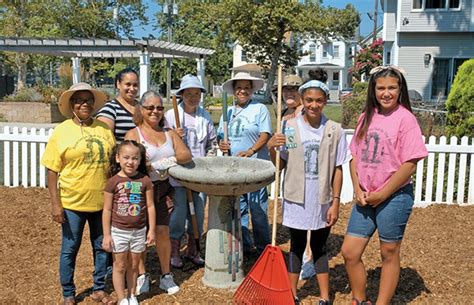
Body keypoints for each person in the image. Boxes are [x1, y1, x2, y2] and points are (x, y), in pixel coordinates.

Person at [341, 66, 428, 305]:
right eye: (381, 88)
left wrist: (383, 194)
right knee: (350, 252)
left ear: (400, 90)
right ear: (374, 90)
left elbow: (410, 164)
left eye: (392, 87)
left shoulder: (406, 119)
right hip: (366, 197)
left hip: (394, 197)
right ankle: (360, 300)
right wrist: (358, 189)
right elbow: (354, 157)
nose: (386, 93)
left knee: (388, 252)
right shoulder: (366, 116)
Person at [267, 79, 350, 305]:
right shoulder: (290, 128)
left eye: (319, 100)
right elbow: (280, 164)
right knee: (297, 246)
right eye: (309, 100)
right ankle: (292, 294)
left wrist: (335, 201)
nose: (314, 105)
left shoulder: (334, 130)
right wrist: (271, 147)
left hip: (321, 198)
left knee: (319, 247)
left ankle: (324, 297)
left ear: (325, 101)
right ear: (302, 100)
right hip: (296, 197)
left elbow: (338, 168)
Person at [41, 83, 116, 305]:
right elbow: (52, 170)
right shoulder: (62, 131)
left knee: (102, 246)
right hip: (72, 202)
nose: (85, 104)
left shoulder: (103, 128)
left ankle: (99, 289)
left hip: (102, 201)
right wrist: (56, 204)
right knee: (69, 249)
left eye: (89, 100)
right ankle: (68, 292)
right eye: (79, 100)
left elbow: (113, 163)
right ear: (72, 104)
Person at [125, 90, 192, 295]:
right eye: (150, 107)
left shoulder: (169, 133)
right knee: (142, 234)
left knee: (163, 231)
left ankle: (165, 275)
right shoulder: (134, 134)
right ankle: (143, 276)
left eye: (159, 107)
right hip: (140, 189)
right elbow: (129, 162)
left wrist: (168, 161)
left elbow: (185, 154)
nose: (155, 111)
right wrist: (148, 166)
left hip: (163, 189)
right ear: (141, 109)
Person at [165, 74, 216, 268]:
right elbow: (163, 143)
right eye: (189, 93)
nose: (193, 97)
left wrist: (208, 162)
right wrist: (173, 137)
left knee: (197, 212)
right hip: (179, 174)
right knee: (179, 214)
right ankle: (174, 251)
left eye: (197, 93)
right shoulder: (172, 116)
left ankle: (194, 250)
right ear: (181, 95)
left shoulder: (205, 116)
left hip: (199, 173)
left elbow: (211, 143)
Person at [218, 72, 272, 256]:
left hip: (255, 167)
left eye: (246, 88)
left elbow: (265, 134)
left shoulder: (259, 109)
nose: (242, 91)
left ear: (251, 90)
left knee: (257, 208)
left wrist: (251, 151)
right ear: (234, 91)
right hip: (234, 167)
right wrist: (221, 143)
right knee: (239, 208)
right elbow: (221, 135)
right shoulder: (229, 111)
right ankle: (245, 245)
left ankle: (263, 248)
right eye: (239, 87)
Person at [102, 140, 156, 305]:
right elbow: (107, 210)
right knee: (119, 265)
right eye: (126, 157)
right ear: (118, 158)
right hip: (118, 231)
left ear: (140, 160)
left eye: (135, 158)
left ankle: (132, 295)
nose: (130, 162)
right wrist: (106, 235)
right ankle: (121, 298)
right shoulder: (113, 182)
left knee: (133, 265)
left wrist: (151, 229)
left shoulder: (145, 181)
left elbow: (150, 206)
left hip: (139, 230)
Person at [97, 68, 139, 143]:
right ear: (118, 84)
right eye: (128, 84)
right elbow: (104, 141)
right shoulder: (109, 109)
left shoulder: (143, 107)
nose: (132, 89)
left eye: (135, 85)